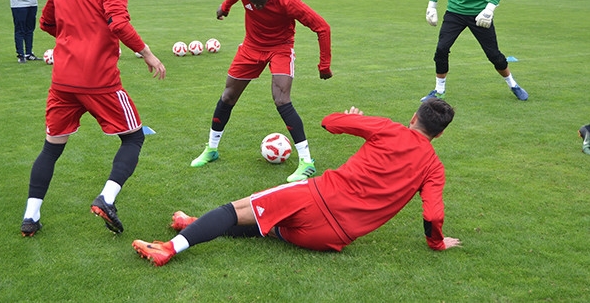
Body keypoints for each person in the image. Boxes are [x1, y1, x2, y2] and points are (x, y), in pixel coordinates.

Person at [132, 99, 461, 267]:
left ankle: (168, 249)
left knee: (236, 209)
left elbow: (329, 122)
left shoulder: (390, 129)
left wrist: (354, 118)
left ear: (414, 118)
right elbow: (432, 215)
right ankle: (193, 225)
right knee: (267, 225)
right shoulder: (434, 167)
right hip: (330, 238)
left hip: (316, 199)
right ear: (440, 134)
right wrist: (437, 243)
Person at [20, 0, 166, 237]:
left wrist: (76, 36)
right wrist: (148, 54)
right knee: (134, 138)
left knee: (51, 149)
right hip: (99, 81)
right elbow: (119, 23)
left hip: (62, 81)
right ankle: (107, 199)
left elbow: (47, 23)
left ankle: (30, 217)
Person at [189, 0, 333, 183]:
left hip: (280, 47)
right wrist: (225, 8)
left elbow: (322, 27)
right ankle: (211, 149)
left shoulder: (288, 1)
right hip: (251, 47)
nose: (257, 6)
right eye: (254, 2)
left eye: (262, 2)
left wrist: (324, 65)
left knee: (281, 98)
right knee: (228, 95)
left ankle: (306, 161)